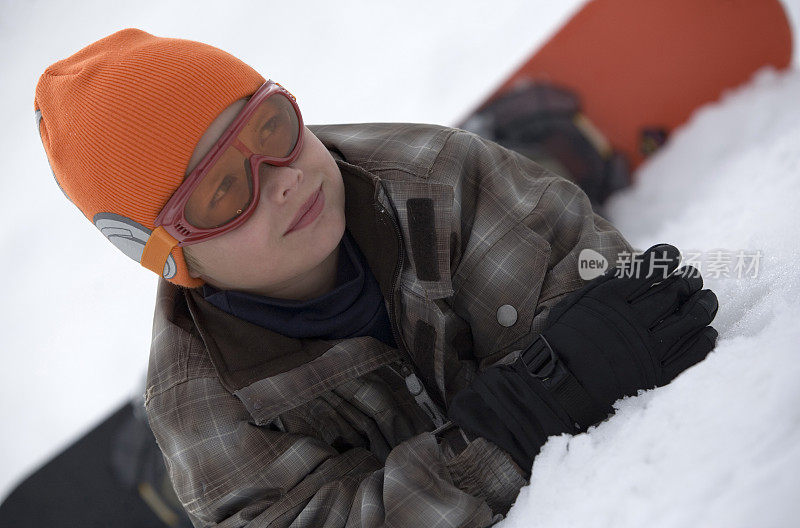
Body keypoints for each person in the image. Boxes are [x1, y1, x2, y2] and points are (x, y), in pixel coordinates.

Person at [34, 29, 718, 527]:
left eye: (270, 128)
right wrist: (522, 417)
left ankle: (532, 145)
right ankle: (153, 464)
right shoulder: (203, 411)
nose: (282, 178)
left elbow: (597, 298)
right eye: (220, 193)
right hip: (246, 427)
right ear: (173, 259)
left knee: (512, 186)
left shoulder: (439, 172)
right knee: (207, 472)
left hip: (426, 207)